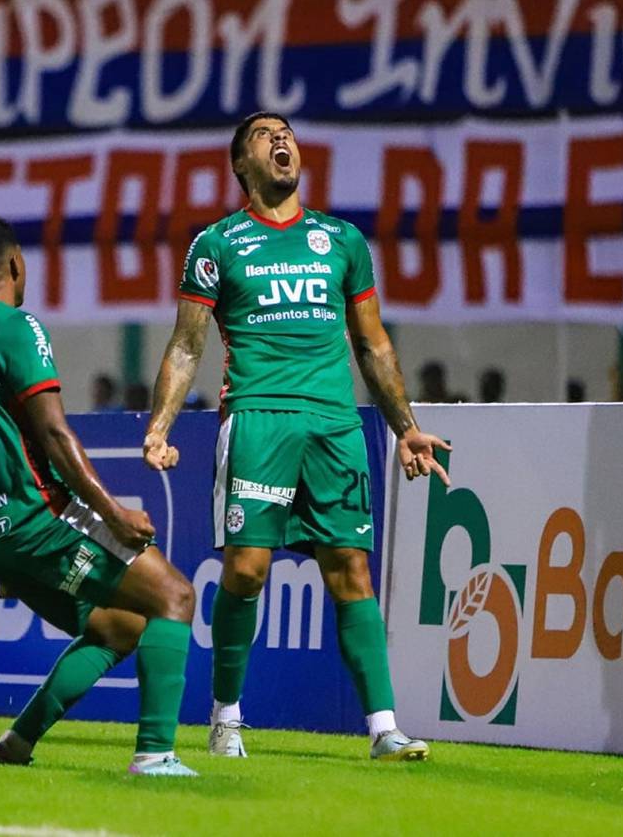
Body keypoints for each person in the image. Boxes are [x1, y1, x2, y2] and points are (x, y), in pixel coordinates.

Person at [143, 112, 451, 762]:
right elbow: (187, 345)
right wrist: (159, 426)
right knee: (247, 570)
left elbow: (373, 342)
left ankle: (383, 728)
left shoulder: (342, 240)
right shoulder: (217, 244)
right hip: (259, 418)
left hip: (335, 425)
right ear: (240, 164)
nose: (281, 139)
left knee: (351, 571)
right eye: (264, 135)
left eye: (287, 133)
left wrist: (405, 427)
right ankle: (226, 717)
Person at [0, 214, 197, 777]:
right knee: (174, 597)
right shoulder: (13, 326)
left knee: (118, 627)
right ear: (14, 263)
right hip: (41, 515)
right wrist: (113, 514)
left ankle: (17, 742)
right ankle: (155, 755)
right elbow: (53, 433)